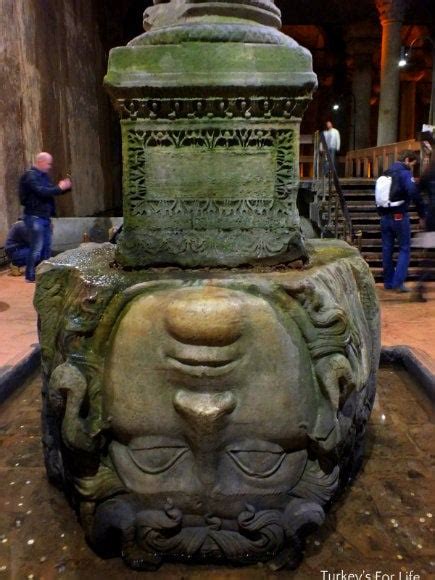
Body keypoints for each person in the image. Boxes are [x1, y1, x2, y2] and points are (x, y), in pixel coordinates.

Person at [378, 150, 426, 292]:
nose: (411, 167)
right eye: (412, 164)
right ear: (406, 160)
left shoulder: (386, 172)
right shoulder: (404, 173)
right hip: (399, 215)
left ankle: (388, 282)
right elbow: (413, 192)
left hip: (385, 216)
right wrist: (422, 213)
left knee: (387, 249)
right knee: (404, 248)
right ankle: (398, 283)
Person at [19, 152, 72, 282]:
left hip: (44, 217)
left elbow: (50, 191)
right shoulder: (30, 176)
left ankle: (44, 275)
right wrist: (60, 187)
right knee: (37, 248)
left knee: (46, 249)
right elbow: (42, 191)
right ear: (41, 162)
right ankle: (30, 276)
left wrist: (64, 188)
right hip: (34, 217)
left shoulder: (43, 176)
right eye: (48, 163)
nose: (50, 166)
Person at [413, 160, 435, 301]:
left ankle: (421, 284)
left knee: (429, 253)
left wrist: (422, 212)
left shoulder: (429, 172)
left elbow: (416, 192)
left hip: (432, 218)